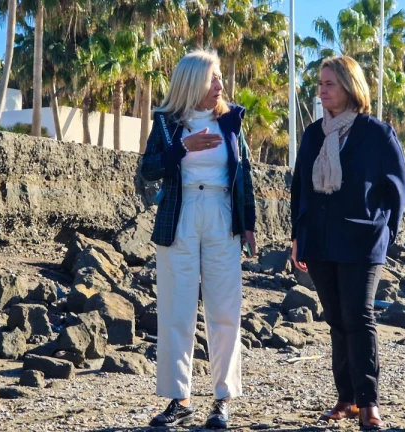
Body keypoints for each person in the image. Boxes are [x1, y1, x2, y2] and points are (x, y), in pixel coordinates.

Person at [290, 56, 405, 431]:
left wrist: (384, 234)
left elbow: (398, 188)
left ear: (350, 86)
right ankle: (346, 399)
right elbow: (300, 187)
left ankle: (369, 402)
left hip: (362, 241)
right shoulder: (314, 134)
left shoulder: (376, 133)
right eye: (320, 84)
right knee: (336, 320)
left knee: (359, 318)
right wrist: (298, 236)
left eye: (330, 84)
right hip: (320, 241)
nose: (322, 90)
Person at [139, 50, 257, 430]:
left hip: (222, 214)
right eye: (212, 78)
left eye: (220, 76)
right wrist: (182, 149)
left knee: (224, 310)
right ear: (192, 83)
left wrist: (249, 225)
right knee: (177, 310)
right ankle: (180, 398)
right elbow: (148, 170)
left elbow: (244, 173)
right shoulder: (167, 121)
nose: (220, 84)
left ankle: (223, 399)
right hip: (180, 214)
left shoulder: (231, 119)